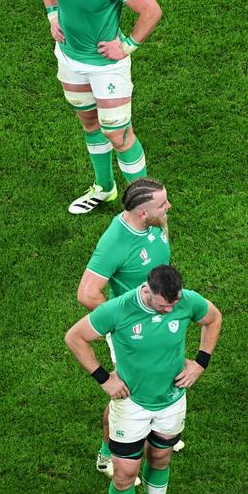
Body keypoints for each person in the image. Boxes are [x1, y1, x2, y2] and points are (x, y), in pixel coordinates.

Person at [65, 265, 222, 494]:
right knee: (124, 473)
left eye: (175, 303)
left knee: (161, 459)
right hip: (131, 406)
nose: (172, 309)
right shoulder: (118, 309)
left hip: (171, 402)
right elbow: (75, 337)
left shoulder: (185, 300)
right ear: (148, 291)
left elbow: (213, 318)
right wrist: (103, 378)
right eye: (166, 304)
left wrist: (200, 363)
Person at [36, 0, 163, 214]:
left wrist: (127, 45)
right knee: (90, 123)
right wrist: (52, 14)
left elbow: (151, 10)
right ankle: (104, 188)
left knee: (117, 135)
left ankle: (144, 206)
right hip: (69, 58)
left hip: (106, 68)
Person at [78, 178, 173, 477]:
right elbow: (87, 293)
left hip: (159, 316)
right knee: (126, 395)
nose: (168, 206)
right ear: (143, 213)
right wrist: (125, 317)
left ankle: (158, 429)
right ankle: (108, 452)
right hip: (132, 332)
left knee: (158, 374)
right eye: (162, 204)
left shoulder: (154, 221)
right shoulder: (116, 241)